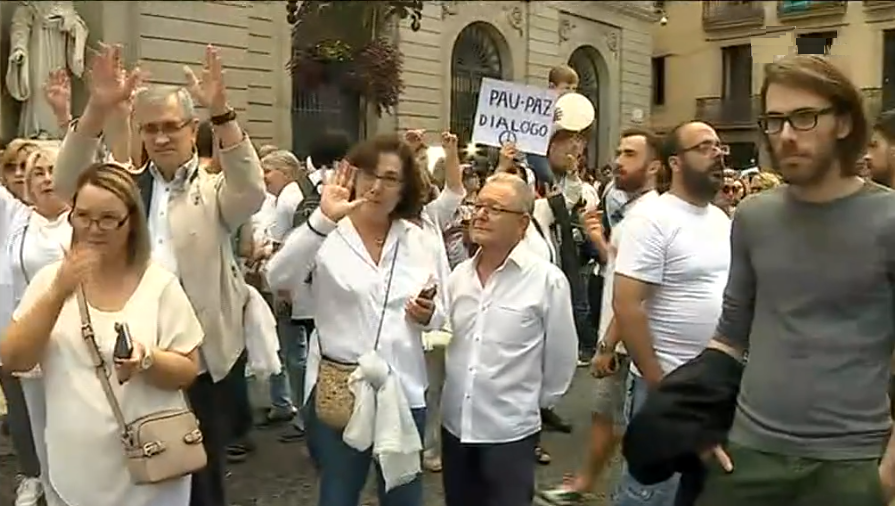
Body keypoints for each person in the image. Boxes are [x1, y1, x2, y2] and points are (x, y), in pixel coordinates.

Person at [53, 44, 265, 506]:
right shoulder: (127, 187)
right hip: (127, 349)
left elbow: (251, 191)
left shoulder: (214, 191)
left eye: (171, 126)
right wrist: (97, 109)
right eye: (151, 128)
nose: (161, 137)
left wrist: (222, 113)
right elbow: (66, 184)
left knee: (199, 474)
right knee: (135, 463)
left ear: (192, 130)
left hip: (197, 357)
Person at [696, 55, 895, 506]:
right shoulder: (754, 216)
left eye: (804, 117)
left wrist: (888, 473)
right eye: (775, 120)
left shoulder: (888, 219)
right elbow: (730, 335)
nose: (786, 135)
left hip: (851, 463)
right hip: (748, 454)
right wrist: (700, 414)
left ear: (844, 122)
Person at [0, 162, 203, 506]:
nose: (93, 229)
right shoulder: (49, 281)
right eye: (83, 216)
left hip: (152, 466)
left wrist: (147, 360)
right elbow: (13, 359)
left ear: (131, 222)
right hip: (76, 469)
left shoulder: (160, 284)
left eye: (108, 219)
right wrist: (58, 293)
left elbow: (187, 371)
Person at [265, 135, 441, 506]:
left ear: (404, 187)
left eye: (390, 178)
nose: (377, 187)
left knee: (404, 494)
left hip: (404, 388)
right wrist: (322, 220)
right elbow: (277, 278)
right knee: (339, 493)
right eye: (369, 174)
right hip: (340, 391)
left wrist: (429, 314)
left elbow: (443, 311)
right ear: (353, 176)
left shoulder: (419, 239)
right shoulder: (326, 233)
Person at [539, 128, 664, 505]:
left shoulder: (648, 218)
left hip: (625, 342)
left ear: (654, 167)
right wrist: (601, 243)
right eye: (619, 152)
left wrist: (608, 345)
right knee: (606, 418)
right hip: (622, 337)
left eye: (629, 154)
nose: (618, 161)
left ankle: (613, 488)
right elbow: (627, 270)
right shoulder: (637, 214)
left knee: (617, 419)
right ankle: (590, 483)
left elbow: (637, 294)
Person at [612, 121, 731, 506]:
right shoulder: (651, 219)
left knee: (697, 489)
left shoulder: (721, 219)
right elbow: (627, 305)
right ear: (675, 163)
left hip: (710, 387)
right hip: (665, 383)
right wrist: (661, 385)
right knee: (648, 494)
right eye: (704, 147)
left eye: (719, 146)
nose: (717, 154)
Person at [440, 172, 577, 506]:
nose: (481, 214)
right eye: (478, 205)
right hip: (455, 427)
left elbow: (561, 357)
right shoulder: (458, 277)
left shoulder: (546, 281)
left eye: (495, 208)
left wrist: (530, 404)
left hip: (510, 433)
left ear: (522, 223)